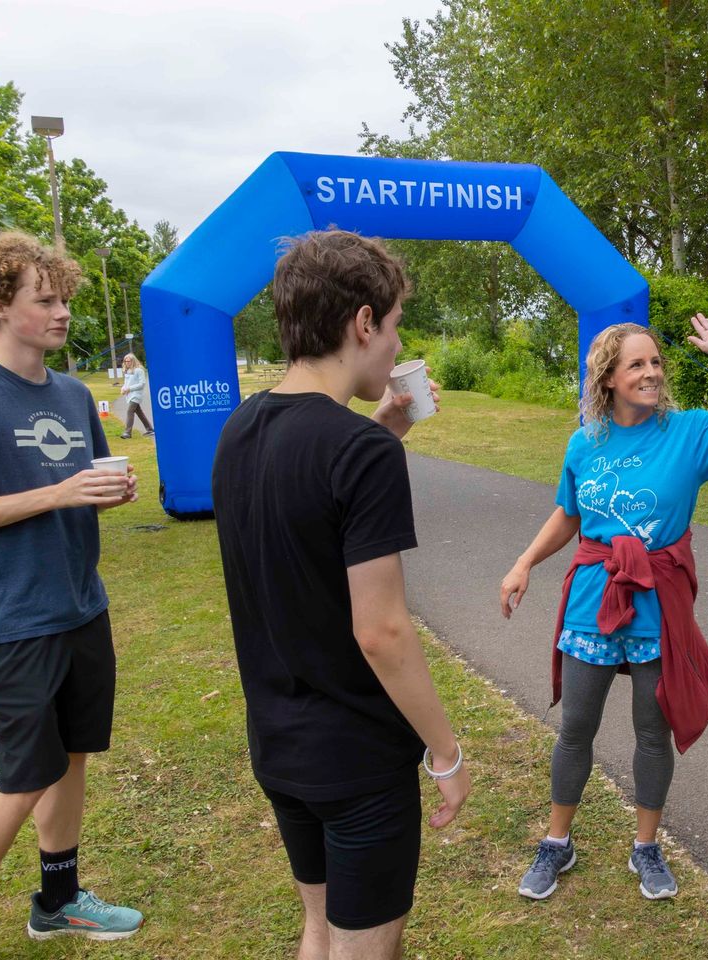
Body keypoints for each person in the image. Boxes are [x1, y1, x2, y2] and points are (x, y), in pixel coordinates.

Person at [212, 229, 470, 960]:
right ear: (362, 323)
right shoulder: (359, 455)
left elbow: (301, 518)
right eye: (392, 328)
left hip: (279, 746)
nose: (394, 350)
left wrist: (384, 430)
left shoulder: (240, 428)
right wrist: (444, 754)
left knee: (320, 931)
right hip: (357, 759)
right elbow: (381, 631)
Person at [0, 231, 143, 960]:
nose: (63, 311)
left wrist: (101, 494)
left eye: (65, 296)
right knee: (24, 775)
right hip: (11, 619)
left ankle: (59, 899)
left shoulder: (73, 394)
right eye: (45, 300)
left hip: (80, 605)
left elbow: (73, 489)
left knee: (71, 756)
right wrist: (58, 492)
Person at [500, 317, 708, 901]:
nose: (651, 372)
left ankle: (646, 847)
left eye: (655, 363)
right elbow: (570, 516)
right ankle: (557, 842)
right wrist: (525, 561)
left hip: (658, 602)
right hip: (592, 597)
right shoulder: (585, 442)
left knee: (652, 733)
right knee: (576, 727)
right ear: (607, 377)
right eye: (636, 364)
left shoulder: (689, 434)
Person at [118, 353, 154, 438]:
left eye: (128, 361)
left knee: (130, 411)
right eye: (125, 361)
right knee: (139, 412)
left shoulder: (139, 370)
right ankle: (150, 429)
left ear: (133, 361)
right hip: (129, 395)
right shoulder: (127, 371)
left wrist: (129, 388)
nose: (127, 362)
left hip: (136, 395)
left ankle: (127, 433)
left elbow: (142, 384)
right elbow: (126, 383)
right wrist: (123, 388)